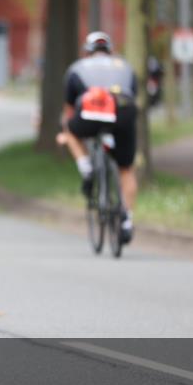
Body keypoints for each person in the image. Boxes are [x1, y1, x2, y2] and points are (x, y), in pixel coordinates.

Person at [56, 31, 138, 243]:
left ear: (88, 52)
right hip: (122, 110)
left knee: (69, 129)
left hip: (91, 110)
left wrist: (66, 132)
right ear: (110, 51)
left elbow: (68, 109)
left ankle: (86, 167)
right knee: (126, 169)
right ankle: (127, 220)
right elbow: (132, 95)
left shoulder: (77, 68)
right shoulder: (125, 66)